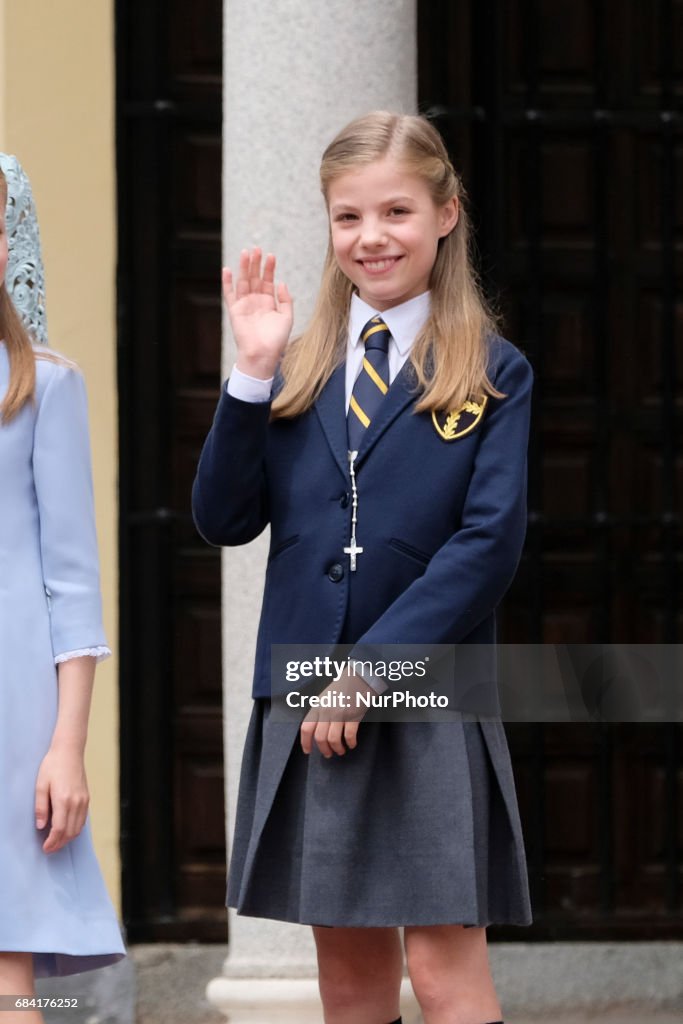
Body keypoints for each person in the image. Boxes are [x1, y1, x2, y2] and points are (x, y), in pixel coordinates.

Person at [193, 112, 533, 1024]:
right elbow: (223, 519)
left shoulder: (492, 369)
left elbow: (486, 547)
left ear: (445, 215)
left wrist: (369, 671)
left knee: (442, 971)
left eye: (396, 212)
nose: (371, 237)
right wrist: (251, 376)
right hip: (306, 694)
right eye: (348, 218)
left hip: (423, 690)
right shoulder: (296, 370)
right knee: (346, 979)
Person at [0, 159, 125, 1023]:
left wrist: (66, 747)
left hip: (13, 721)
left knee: (9, 975)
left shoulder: (43, 384)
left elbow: (71, 582)